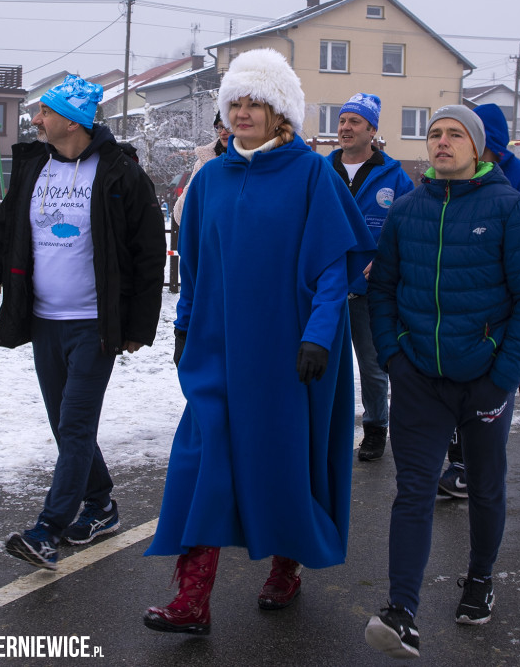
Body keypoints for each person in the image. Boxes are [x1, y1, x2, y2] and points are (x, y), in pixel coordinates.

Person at [141, 48, 374, 635]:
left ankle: (285, 568)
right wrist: (184, 327)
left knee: (281, 465)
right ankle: (192, 601)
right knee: (202, 465)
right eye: (235, 103)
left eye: (256, 104)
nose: (242, 113)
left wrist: (319, 337)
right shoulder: (210, 179)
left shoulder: (311, 174)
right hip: (218, 355)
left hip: (287, 355)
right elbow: (193, 268)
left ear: (280, 114)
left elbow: (332, 268)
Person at [363, 105, 520, 659]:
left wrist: (503, 373)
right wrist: (396, 357)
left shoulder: (508, 208)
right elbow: (383, 291)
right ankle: (401, 611)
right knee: (414, 491)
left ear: (477, 147)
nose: (443, 142)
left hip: (484, 382)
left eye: (454, 134)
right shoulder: (405, 211)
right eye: (434, 134)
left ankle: (479, 579)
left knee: (487, 487)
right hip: (419, 378)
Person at [0, 74, 166, 571]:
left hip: (95, 324)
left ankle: (47, 529)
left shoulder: (120, 173)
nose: (35, 120)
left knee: (75, 425)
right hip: (44, 320)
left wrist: (138, 327)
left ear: (72, 120)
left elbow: (148, 255)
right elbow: (4, 233)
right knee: (64, 425)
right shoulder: (34, 168)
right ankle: (101, 505)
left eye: (45, 112)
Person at [436, 102, 520, 494]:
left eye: (462, 133)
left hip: (517, 308)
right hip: (472, 310)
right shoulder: (457, 178)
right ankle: (461, 463)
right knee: (464, 384)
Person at [327, 92, 414, 462]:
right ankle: (325, 428)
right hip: (325, 289)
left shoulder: (394, 176)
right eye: (343, 121)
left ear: (372, 130)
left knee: (373, 367)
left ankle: (376, 428)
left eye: (354, 122)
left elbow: (410, 230)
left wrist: (385, 260)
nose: (345, 128)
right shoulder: (321, 169)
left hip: (370, 291)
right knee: (323, 363)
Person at [172, 111, 230, 225]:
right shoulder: (205, 160)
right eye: (219, 127)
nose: (223, 132)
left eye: (228, 127)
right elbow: (181, 214)